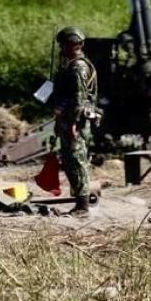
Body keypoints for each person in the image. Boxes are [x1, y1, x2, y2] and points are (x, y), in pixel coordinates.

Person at [51, 26, 98, 214]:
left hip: (75, 122)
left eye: (63, 45)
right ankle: (80, 202)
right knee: (71, 160)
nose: (61, 49)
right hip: (70, 120)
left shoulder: (78, 68)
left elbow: (78, 99)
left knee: (76, 161)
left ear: (71, 45)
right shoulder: (72, 65)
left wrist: (72, 123)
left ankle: (82, 206)